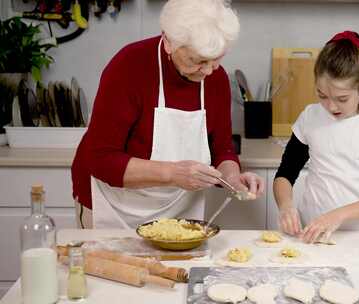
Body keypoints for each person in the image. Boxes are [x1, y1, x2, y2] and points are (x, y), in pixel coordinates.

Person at [71, 0, 264, 229]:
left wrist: (231, 178)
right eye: (198, 60)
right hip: (114, 209)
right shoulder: (129, 66)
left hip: (179, 211)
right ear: (169, 42)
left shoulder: (216, 79)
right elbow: (100, 159)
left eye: (217, 58)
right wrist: (173, 173)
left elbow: (222, 149)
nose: (209, 70)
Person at [273, 31, 359, 243]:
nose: (331, 106)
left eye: (342, 98)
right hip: (313, 235)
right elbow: (285, 174)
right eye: (322, 95)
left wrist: (337, 215)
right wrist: (286, 206)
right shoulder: (310, 117)